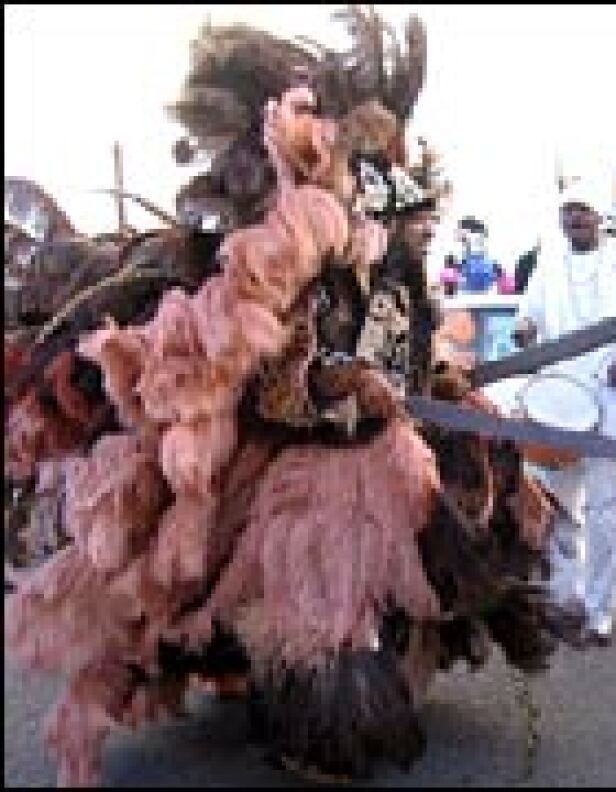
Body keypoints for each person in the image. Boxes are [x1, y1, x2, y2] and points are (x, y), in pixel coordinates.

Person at [4, 14, 586, 786]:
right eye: (391, 210)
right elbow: (279, 387)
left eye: (410, 216)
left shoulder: (400, 269)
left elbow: (407, 347)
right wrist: (342, 382)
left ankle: (326, 692)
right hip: (311, 478)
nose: (406, 225)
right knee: (320, 614)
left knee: (452, 539)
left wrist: (433, 385)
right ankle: (320, 727)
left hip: (388, 453)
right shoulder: (298, 267)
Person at [513, 180, 616, 645]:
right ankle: (566, 601)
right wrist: (524, 332)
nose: (575, 220)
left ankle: (600, 612)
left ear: (600, 217)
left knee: (604, 511)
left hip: (610, 398)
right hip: (559, 400)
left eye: (583, 212)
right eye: (568, 213)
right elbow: (528, 315)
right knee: (561, 509)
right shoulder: (548, 263)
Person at [457, 215, 499, 293]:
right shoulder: (478, 235)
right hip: (480, 264)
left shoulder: (470, 236)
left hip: (476, 263)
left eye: (461, 228)